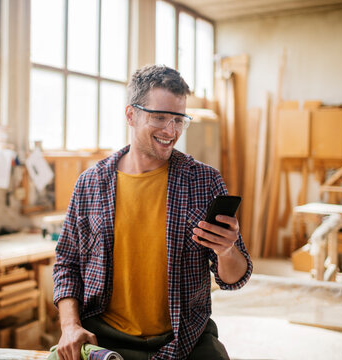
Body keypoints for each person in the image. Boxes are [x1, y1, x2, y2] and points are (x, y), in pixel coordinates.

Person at [52, 65, 253, 360]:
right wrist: (70, 325)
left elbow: (235, 278)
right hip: (106, 337)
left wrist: (226, 250)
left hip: (186, 337)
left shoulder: (204, 181)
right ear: (131, 115)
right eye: (159, 117)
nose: (171, 131)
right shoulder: (91, 182)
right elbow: (67, 264)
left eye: (178, 119)